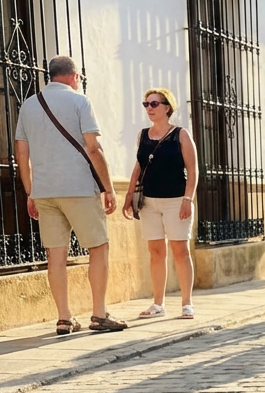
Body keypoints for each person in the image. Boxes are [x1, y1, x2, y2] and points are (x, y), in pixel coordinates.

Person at [14, 55, 126, 335]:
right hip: (77, 188)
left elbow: (22, 153)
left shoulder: (29, 105)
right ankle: (99, 314)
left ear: (50, 76)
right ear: (74, 76)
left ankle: (64, 318)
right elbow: (93, 148)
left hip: (45, 191)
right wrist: (108, 188)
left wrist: (31, 192)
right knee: (98, 247)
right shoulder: (80, 101)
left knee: (56, 254)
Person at [123, 88, 199, 319]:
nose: (149, 108)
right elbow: (140, 166)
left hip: (176, 201)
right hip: (149, 202)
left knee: (180, 251)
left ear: (167, 107)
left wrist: (188, 198)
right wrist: (128, 194)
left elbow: (193, 170)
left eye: (154, 104)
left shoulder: (181, 135)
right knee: (155, 251)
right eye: (146, 104)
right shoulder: (143, 135)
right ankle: (158, 304)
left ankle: (187, 303)